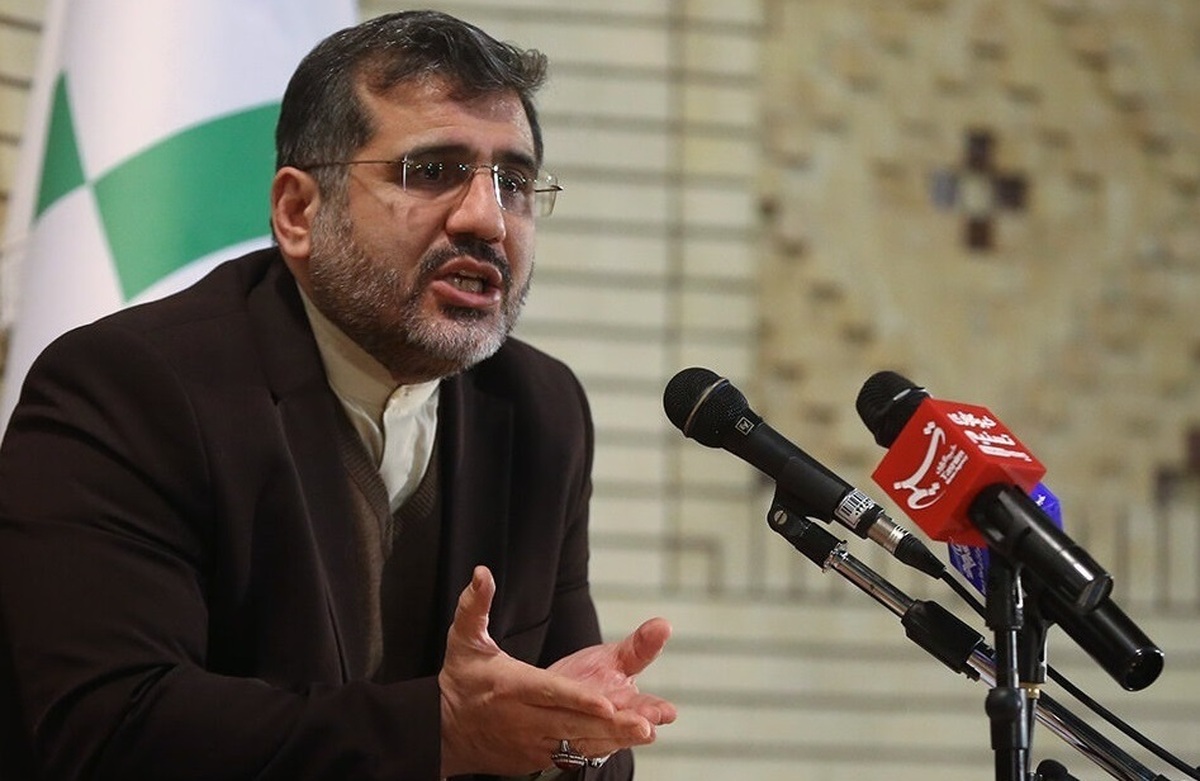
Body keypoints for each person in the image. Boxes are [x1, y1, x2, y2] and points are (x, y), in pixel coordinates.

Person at [0, 10, 676, 780]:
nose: (487, 219)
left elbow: (568, 730)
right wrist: (444, 731)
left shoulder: (538, 408)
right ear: (299, 211)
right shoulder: (131, 387)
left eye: (514, 182)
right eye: (432, 171)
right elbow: (112, 729)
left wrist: (572, 740)